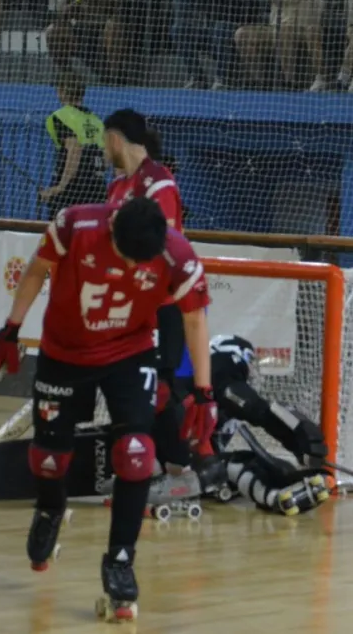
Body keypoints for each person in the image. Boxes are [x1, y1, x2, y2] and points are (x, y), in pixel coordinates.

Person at [0, 197, 214, 622]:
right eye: (126, 257)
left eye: (140, 262)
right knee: (50, 459)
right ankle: (50, 508)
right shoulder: (74, 226)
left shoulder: (177, 255)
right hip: (64, 352)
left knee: (136, 454)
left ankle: (120, 560)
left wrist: (204, 392)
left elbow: (194, 319)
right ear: (112, 229)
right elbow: (36, 270)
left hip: (129, 354)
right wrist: (11, 328)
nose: (132, 268)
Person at [0, 335, 331, 517]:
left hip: (138, 430)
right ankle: (280, 496)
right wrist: (303, 441)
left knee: (73, 447)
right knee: (234, 464)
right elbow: (261, 410)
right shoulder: (222, 372)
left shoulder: (190, 364)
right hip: (176, 451)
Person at [103, 110, 194, 470]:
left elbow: (164, 247)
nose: (103, 150)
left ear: (115, 139)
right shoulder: (116, 187)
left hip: (160, 306)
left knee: (161, 388)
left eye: (104, 142)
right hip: (127, 307)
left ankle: (181, 464)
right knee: (126, 385)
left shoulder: (159, 183)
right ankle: (140, 459)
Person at [39, 72, 107, 216]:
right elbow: (106, 159)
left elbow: (75, 149)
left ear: (62, 91)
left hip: (72, 192)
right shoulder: (96, 120)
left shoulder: (61, 117)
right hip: (97, 191)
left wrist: (60, 187)